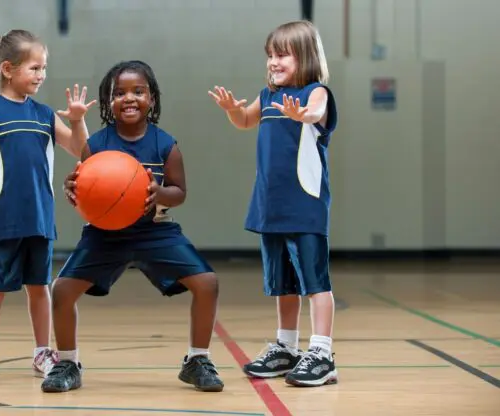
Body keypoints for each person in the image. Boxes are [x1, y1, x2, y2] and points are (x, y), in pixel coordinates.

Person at [40, 60, 224, 393]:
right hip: (105, 234)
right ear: (109, 102)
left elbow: (180, 192)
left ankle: (198, 359)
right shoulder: (95, 145)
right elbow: (83, 189)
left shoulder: (166, 144)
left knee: (207, 283)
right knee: (62, 290)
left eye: (138, 91)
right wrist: (74, 190)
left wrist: (159, 193)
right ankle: (67, 362)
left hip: (154, 231)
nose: (129, 98)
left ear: (151, 99)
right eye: (120, 93)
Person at [0, 29, 96, 387]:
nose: (41, 75)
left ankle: (43, 351)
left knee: (39, 287)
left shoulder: (43, 113)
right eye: (35, 68)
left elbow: (83, 152)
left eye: (44, 68)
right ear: (9, 69)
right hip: (3, 217)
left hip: (40, 218)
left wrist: (77, 120)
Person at [208, 20, 339, 387]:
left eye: (282, 55)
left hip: (305, 207)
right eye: (270, 55)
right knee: (283, 284)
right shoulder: (266, 97)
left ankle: (322, 352)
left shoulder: (316, 92)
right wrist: (232, 109)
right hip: (270, 207)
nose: (273, 62)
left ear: (306, 57)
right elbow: (245, 121)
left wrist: (304, 116)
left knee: (315, 283)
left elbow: (316, 111)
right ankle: (286, 346)